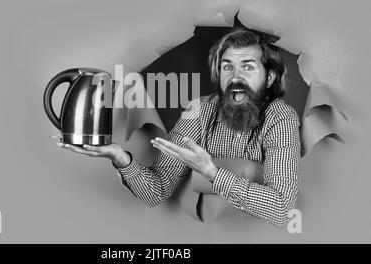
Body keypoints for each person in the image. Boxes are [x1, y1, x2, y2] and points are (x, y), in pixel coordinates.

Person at [58, 28, 301, 227]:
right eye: (227, 67)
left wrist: (212, 173)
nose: (235, 77)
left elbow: (281, 209)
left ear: (269, 78)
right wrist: (120, 158)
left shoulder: (281, 118)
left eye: (248, 66)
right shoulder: (200, 111)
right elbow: (157, 191)